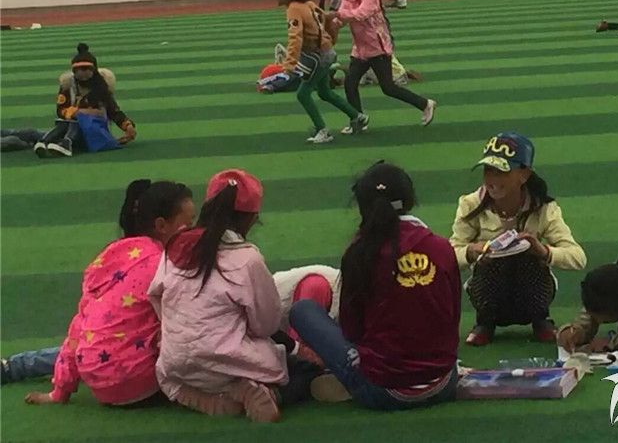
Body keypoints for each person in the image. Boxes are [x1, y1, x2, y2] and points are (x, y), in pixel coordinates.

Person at [289, 162, 460, 410]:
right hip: (444, 384)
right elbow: (452, 317)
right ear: (409, 200)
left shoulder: (359, 253)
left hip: (382, 391)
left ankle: (334, 377)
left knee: (303, 311)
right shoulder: (441, 247)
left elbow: (352, 330)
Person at [149, 169, 311, 422]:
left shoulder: (174, 247)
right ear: (251, 218)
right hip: (228, 361)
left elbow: (156, 297)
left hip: (176, 363)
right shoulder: (247, 257)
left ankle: (213, 397)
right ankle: (263, 392)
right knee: (303, 372)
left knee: (171, 376)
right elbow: (266, 325)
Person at [19, 180, 195, 403]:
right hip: (141, 384)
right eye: (189, 224)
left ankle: (16, 366)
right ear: (161, 225)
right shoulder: (165, 263)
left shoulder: (107, 258)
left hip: (99, 384)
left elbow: (78, 326)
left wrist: (59, 392)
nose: (194, 231)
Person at [449, 133, 586, 346]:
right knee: (488, 263)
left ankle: (540, 320)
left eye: (501, 172)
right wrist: (471, 252)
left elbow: (578, 258)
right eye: (488, 171)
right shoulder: (470, 204)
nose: (492, 180)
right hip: (487, 292)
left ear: (524, 174)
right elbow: (448, 256)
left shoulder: (544, 207)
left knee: (529, 256)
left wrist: (543, 252)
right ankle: (485, 323)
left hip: (534, 293)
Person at [324, 0, 436, 132]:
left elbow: (360, 14)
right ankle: (357, 120)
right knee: (350, 84)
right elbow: (342, 19)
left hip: (378, 49)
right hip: (360, 50)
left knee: (388, 88)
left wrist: (336, 15)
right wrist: (331, 24)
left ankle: (425, 104)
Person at [275, 0, 367, 144]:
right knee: (324, 92)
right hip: (327, 52)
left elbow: (295, 37)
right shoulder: (309, 4)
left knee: (303, 94)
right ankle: (357, 116)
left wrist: (289, 64)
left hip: (318, 57)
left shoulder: (294, 9)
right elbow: (325, 18)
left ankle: (322, 130)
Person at [33, 44, 136, 158]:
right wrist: (78, 112)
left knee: (75, 124)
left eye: (86, 69)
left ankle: (66, 143)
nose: (82, 73)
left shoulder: (101, 88)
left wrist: (128, 126)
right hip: (68, 126)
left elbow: (114, 112)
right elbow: (60, 110)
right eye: (78, 70)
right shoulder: (68, 87)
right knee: (64, 124)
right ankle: (44, 141)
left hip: (92, 132)